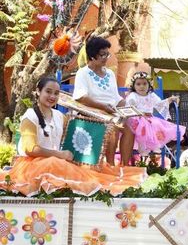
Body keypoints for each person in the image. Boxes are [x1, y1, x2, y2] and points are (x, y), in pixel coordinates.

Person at [0, 76, 146, 196]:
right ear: (38, 92)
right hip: (33, 165)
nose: (52, 96)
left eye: (56, 93)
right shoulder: (30, 116)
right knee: (56, 163)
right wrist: (60, 155)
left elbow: (78, 133)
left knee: (92, 167)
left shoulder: (59, 116)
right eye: (48, 92)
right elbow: (30, 149)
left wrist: (103, 130)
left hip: (56, 160)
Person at [72, 37, 131, 165]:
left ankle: (125, 166)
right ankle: (110, 165)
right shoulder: (83, 73)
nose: (105, 57)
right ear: (92, 56)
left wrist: (128, 108)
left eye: (107, 54)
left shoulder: (109, 73)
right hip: (91, 113)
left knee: (129, 130)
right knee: (113, 128)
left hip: (110, 112)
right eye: (102, 54)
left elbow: (116, 98)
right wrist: (103, 107)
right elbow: (81, 97)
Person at [125, 71, 186, 158]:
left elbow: (159, 104)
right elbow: (130, 108)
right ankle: (142, 147)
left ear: (149, 85)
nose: (142, 86)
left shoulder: (151, 95)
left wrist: (169, 100)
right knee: (143, 125)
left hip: (150, 118)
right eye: (138, 84)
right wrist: (140, 114)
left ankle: (155, 145)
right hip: (137, 119)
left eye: (144, 84)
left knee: (157, 124)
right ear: (133, 86)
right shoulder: (133, 96)